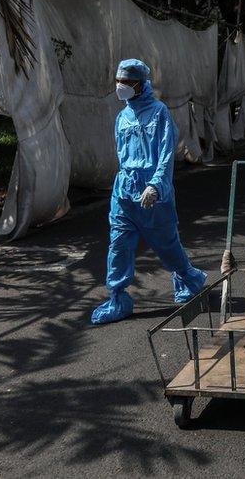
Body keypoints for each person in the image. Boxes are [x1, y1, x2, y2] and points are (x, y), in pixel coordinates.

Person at [92, 59, 207, 324]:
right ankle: (118, 298)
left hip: (152, 191)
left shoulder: (159, 112)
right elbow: (122, 155)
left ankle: (190, 278)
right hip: (124, 191)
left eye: (126, 82)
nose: (121, 87)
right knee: (118, 245)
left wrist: (155, 185)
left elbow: (166, 154)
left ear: (141, 84)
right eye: (118, 81)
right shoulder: (122, 116)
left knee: (167, 246)